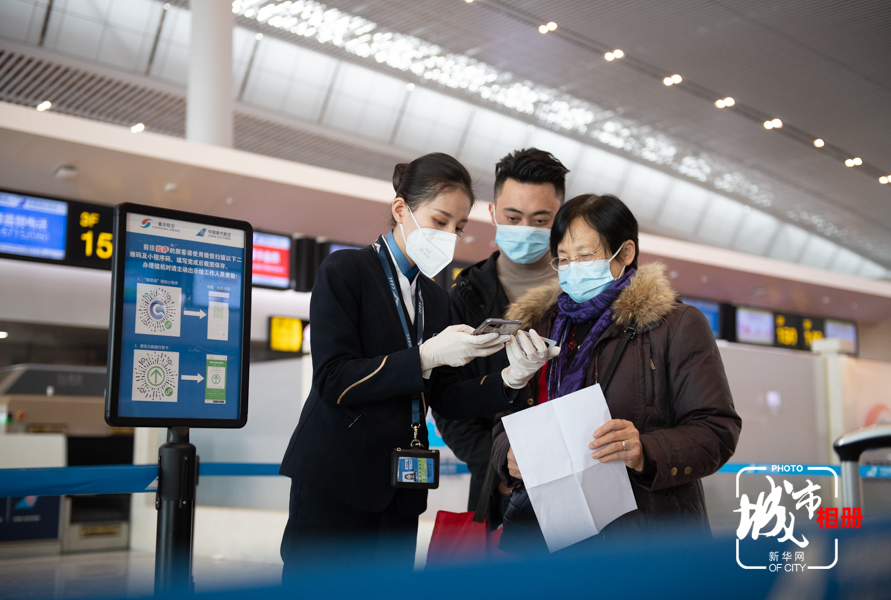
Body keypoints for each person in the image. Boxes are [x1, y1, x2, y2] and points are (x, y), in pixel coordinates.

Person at [278, 153, 559, 576]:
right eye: (439, 221)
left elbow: (445, 397)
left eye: (458, 227)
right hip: (338, 479)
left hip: (401, 487)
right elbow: (334, 380)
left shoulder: (436, 298)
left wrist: (509, 379)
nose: (449, 236)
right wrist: (425, 356)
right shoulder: (346, 271)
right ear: (400, 209)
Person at [491, 193, 742, 552]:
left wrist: (645, 450)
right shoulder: (539, 325)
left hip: (644, 535)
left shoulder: (675, 325)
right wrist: (507, 454)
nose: (573, 268)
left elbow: (717, 429)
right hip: (546, 533)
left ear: (625, 253)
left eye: (585, 255)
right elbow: (507, 415)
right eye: (564, 258)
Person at [434, 148, 569, 526]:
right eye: (513, 217)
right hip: (498, 491)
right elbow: (448, 403)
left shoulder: (584, 292)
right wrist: (497, 464)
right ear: (493, 213)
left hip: (581, 476)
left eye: (540, 219)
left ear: (560, 218)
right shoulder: (464, 295)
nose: (525, 228)